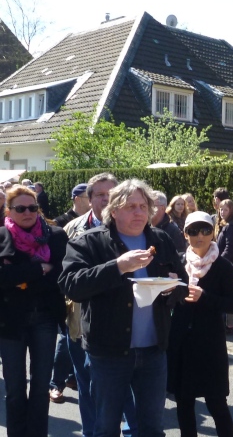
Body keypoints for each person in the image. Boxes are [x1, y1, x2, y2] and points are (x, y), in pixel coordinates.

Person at [59, 179, 189, 436]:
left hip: (153, 351)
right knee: (106, 427)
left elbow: (182, 283)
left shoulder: (160, 239)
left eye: (143, 206)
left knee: (152, 428)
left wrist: (172, 288)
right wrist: (118, 266)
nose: (139, 212)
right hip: (108, 352)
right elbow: (71, 285)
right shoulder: (90, 241)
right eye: (131, 206)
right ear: (114, 209)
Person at [61, 173, 137, 437]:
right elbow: (66, 280)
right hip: (82, 323)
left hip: (125, 326)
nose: (106, 199)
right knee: (88, 388)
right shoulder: (73, 229)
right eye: (100, 194)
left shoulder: (134, 229)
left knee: (128, 391)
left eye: (111, 194)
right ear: (89, 198)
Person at [0, 185, 69, 436]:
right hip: (10, 321)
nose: (27, 212)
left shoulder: (56, 235)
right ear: (9, 210)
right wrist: (39, 269)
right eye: (20, 208)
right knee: (15, 389)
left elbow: (61, 275)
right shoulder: (1, 236)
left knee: (40, 388)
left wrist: (18, 277)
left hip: (45, 319)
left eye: (32, 207)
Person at [167, 212, 233, 437]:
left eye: (205, 230)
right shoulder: (178, 263)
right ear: (185, 234)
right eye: (193, 231)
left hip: (210, 344)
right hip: (181, 342)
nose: (199, 236)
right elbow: (165, 301)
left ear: (213, 233)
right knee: (184, 402)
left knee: (216, 403)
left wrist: (204, 296)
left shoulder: (223, 266)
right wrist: (167, 290)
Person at [216, 199, 233, 333]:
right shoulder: (225, 225)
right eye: (221, 209)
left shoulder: (231, 227)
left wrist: (219, 262)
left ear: (231, 211)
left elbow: (230, 248)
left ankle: (229, 325)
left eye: (225, 210)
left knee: (229, 294)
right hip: (229, 264)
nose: (222, 212)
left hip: (229, 265)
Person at [152, 191, 187, 255]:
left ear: (162, 208)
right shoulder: (142, 229)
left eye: (152, 206)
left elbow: (180, 255)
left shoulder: (173, 231)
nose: (147, 209)